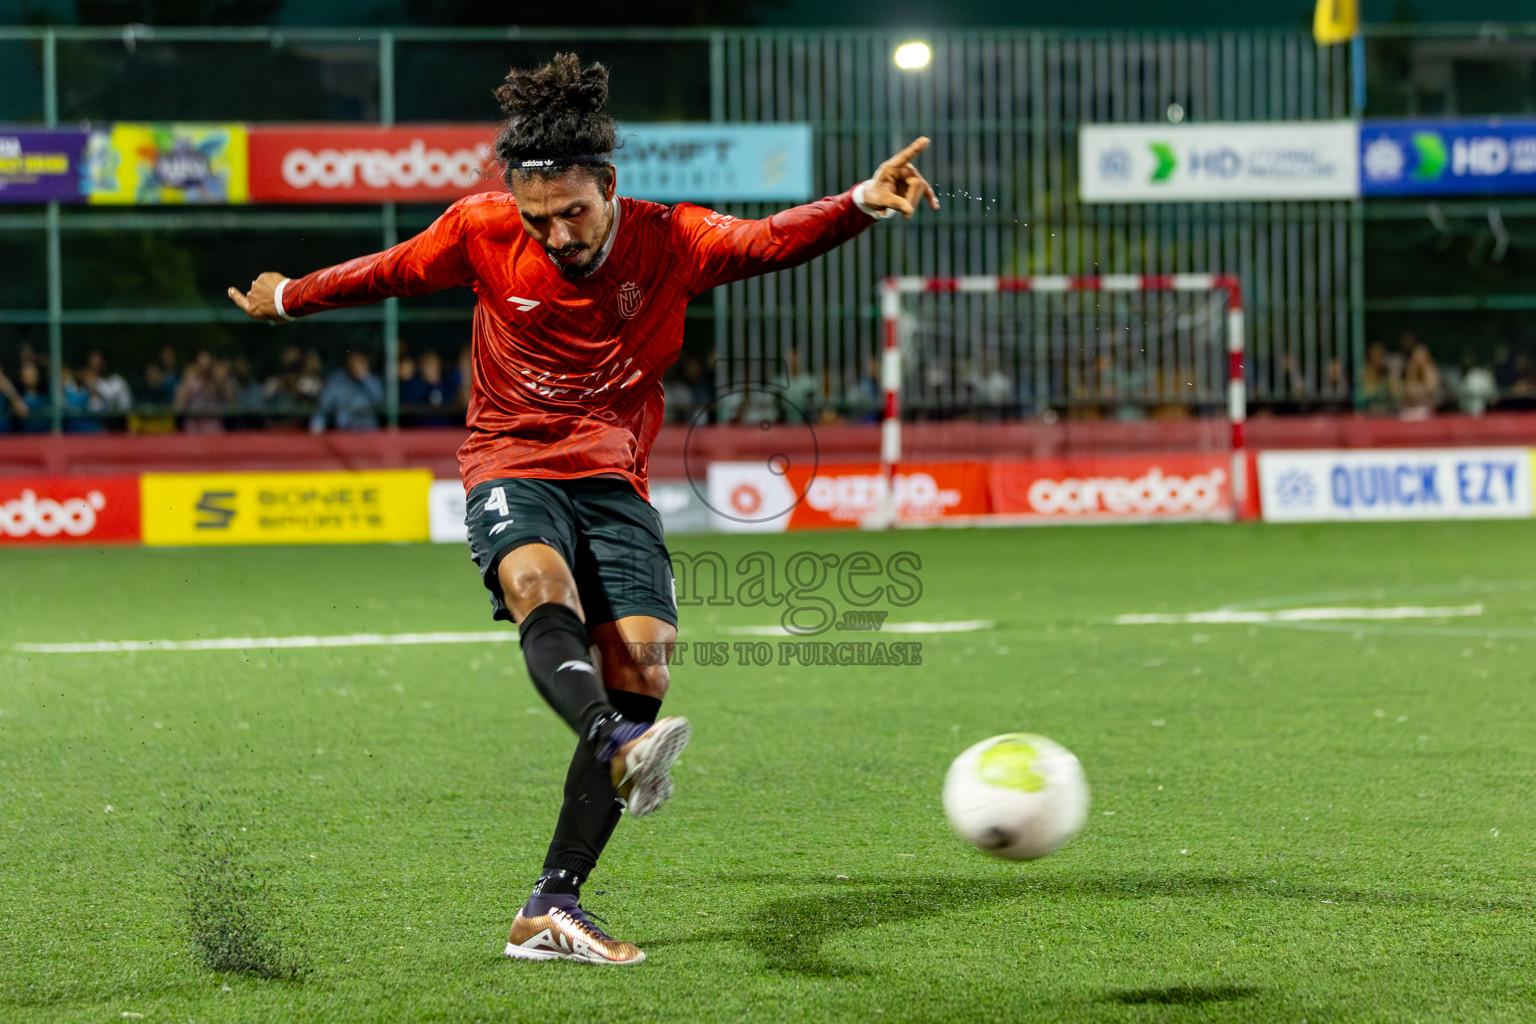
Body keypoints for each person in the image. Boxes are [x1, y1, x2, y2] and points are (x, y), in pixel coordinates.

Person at [228, 52, 936, 966]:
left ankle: (550, 906)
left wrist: (863, 202)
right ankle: (612, 741)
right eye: (540, 217)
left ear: (608, 185)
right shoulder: (481, 229)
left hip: (614, 475)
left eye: (573, 212)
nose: (557, 234)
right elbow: (389, 272)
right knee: (537, 586)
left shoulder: (672, 237)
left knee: (644, 668)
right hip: (510, 456)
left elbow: (769, 240)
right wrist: (289, 296)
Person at [309, 349, 384, 433]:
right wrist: (316, 425)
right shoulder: (336, 379)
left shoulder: (373, 380)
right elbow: (323, 406)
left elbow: (380, 400)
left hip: (368, 431)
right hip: (345, 432)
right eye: (353, 360)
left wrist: (365, 377)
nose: (355, 364)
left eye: (359, 361)